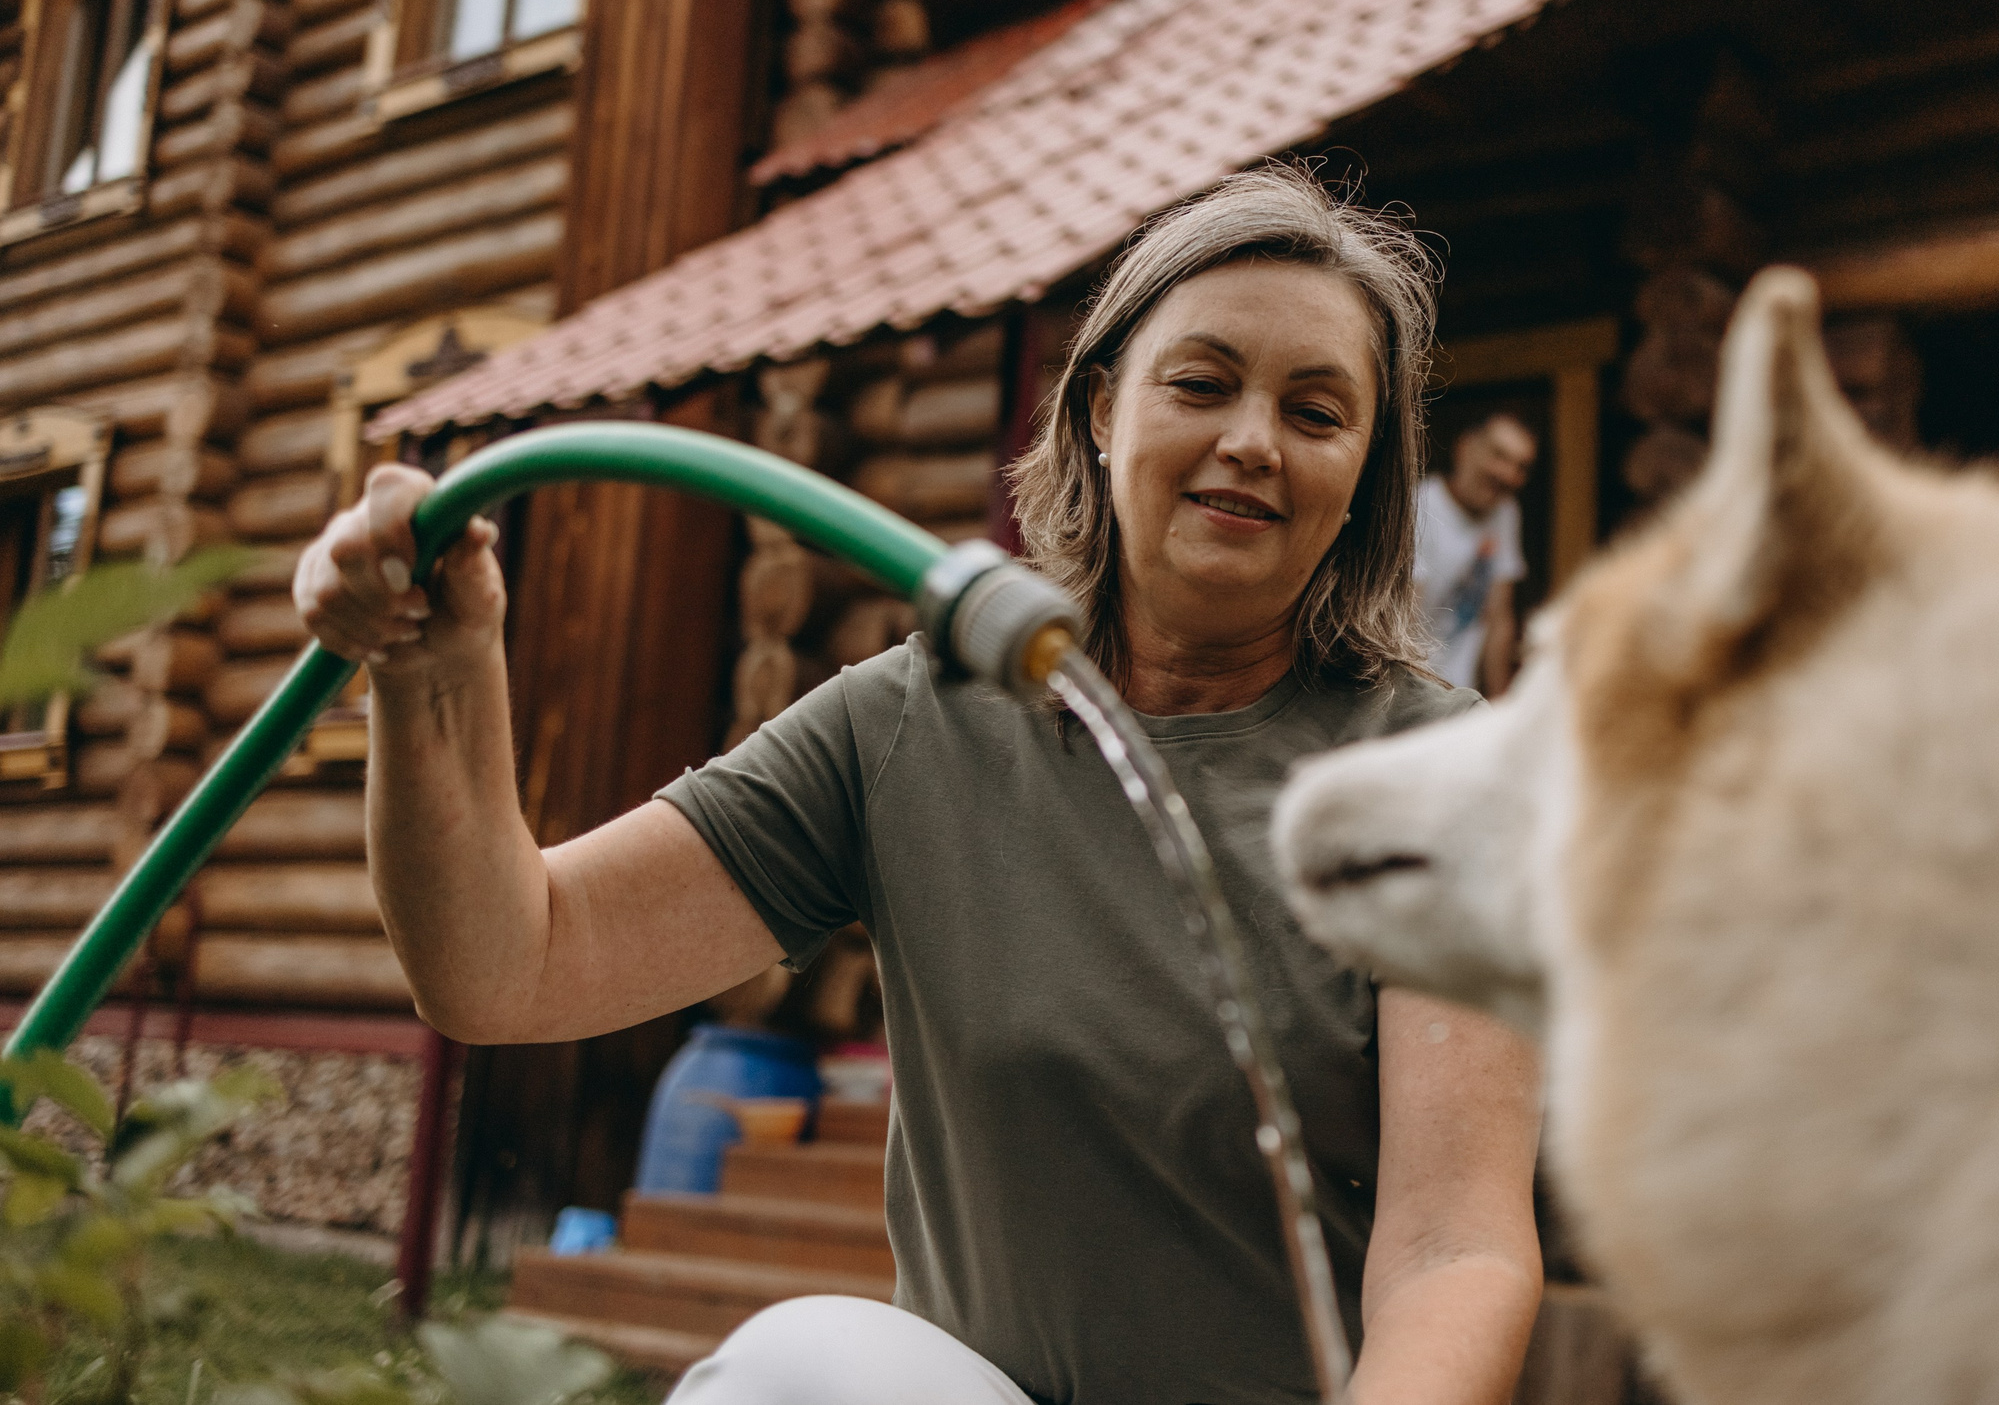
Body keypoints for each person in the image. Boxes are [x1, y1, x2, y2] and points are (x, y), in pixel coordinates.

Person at [295, 166, 1544, 1405]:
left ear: (1366, 474)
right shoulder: (913, 725)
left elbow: (1457, 1248)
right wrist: (436, 666)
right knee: (797, 1368)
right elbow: (510, 962)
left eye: (1317, 414)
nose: (1251, 442)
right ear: (1102, 413)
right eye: (1201, 384)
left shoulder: (1435, 784)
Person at [1413, 412, 1536, 696]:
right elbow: (1405, 619)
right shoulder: (1418, 506)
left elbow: (1499, 618)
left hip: (1460, 694)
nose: (1507, 474)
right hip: (1413, 691)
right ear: (1465, 448)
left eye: (1520, 466)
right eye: (1499, 455)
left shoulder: (1505, 513)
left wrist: (1500, 709)